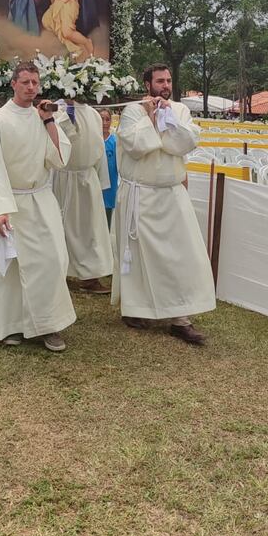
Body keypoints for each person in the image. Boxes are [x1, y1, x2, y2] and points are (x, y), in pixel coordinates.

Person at [112, 64, 216, 346]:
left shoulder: (179, 110)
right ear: (147, 84)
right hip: (140, 194)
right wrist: (149, 116)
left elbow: (183, 142)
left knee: (181, 254)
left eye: (168, 80)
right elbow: (135, 145)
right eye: (160, 81)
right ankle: (137, 309)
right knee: (139, 255)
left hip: (170, 193)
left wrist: (164, 119)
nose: (165, 85)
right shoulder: (133, 110)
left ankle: (181, 319)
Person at [0, 61, 75, 351]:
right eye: (25, 82)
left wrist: (48, 121)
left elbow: (59, 160)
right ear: (13, 84)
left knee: (53, 261)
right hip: (11, 202)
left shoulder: (44, 117)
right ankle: (11, 326)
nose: (31, 87)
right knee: (10, 268)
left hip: (41, 199)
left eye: (35, 82)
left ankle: (48, 325)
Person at [52, 101, 112, 294]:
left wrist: (102, 180)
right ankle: (58, 271)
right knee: (60, 227)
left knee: (90, 228)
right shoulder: (56, 110)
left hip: (87, 178)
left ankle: (90, 275)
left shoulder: (93, 114)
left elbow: (99, 148)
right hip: (63, 177)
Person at [99, 108, 118, 228]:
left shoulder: (115, 141)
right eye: (101, 119)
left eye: (107, 119)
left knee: (107, 216)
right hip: (96, 183)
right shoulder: (94, 140)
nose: (105, 123)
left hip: (110, 185)